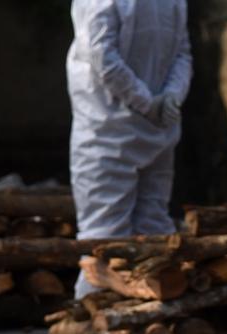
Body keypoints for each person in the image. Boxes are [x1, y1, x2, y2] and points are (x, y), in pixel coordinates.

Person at [66, 0, 192, 298]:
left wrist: (155, 102)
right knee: (150, 230)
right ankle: (123, 325)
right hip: (150, 127)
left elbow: (101, 56)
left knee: (103, 240)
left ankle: (97, 330)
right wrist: (166, 99)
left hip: (107, 129)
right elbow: (182, 54)